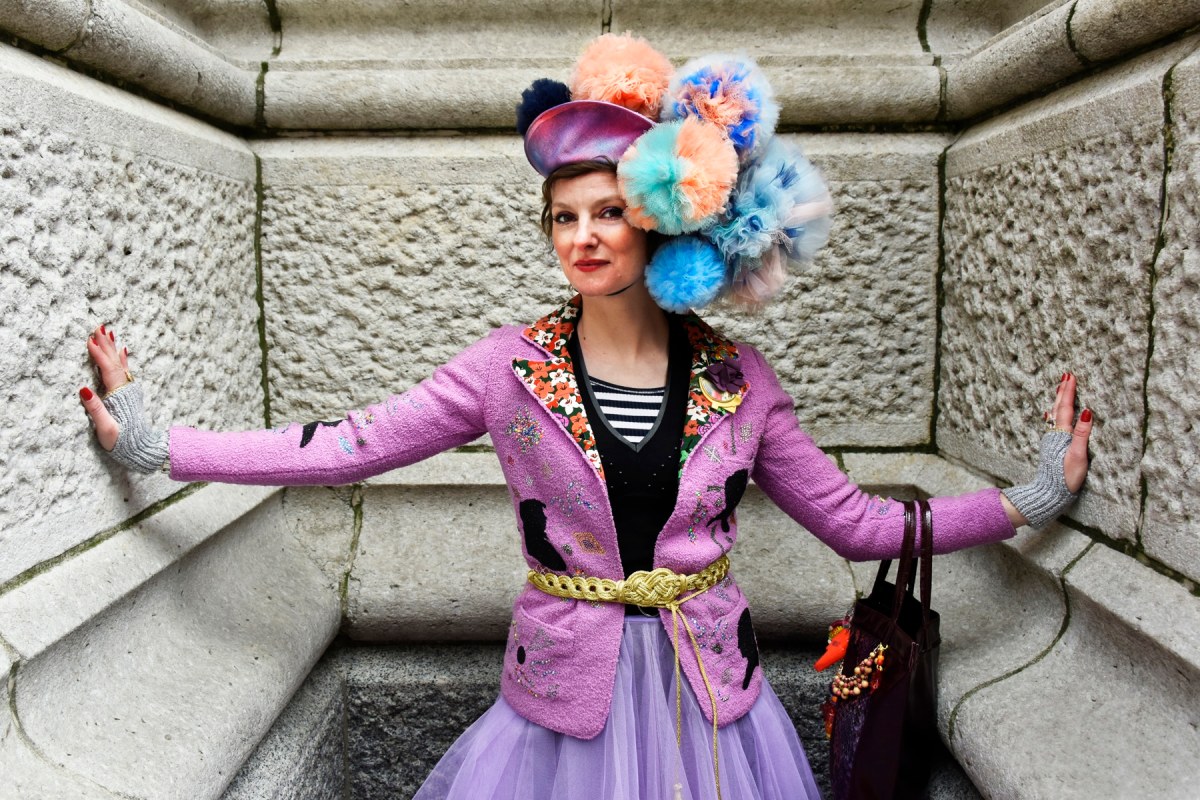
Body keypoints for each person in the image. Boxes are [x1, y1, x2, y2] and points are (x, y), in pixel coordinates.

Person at [79, 34, 1092, 800]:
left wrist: (1031, 496)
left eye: (607, 210)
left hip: (712, 717)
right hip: (564, 713)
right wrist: (164, 442)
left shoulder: (741, 382)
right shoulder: (505, 368)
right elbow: (351, 442)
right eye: (563, 216)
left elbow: (858, 523)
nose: (584, 236)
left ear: (658, 216)